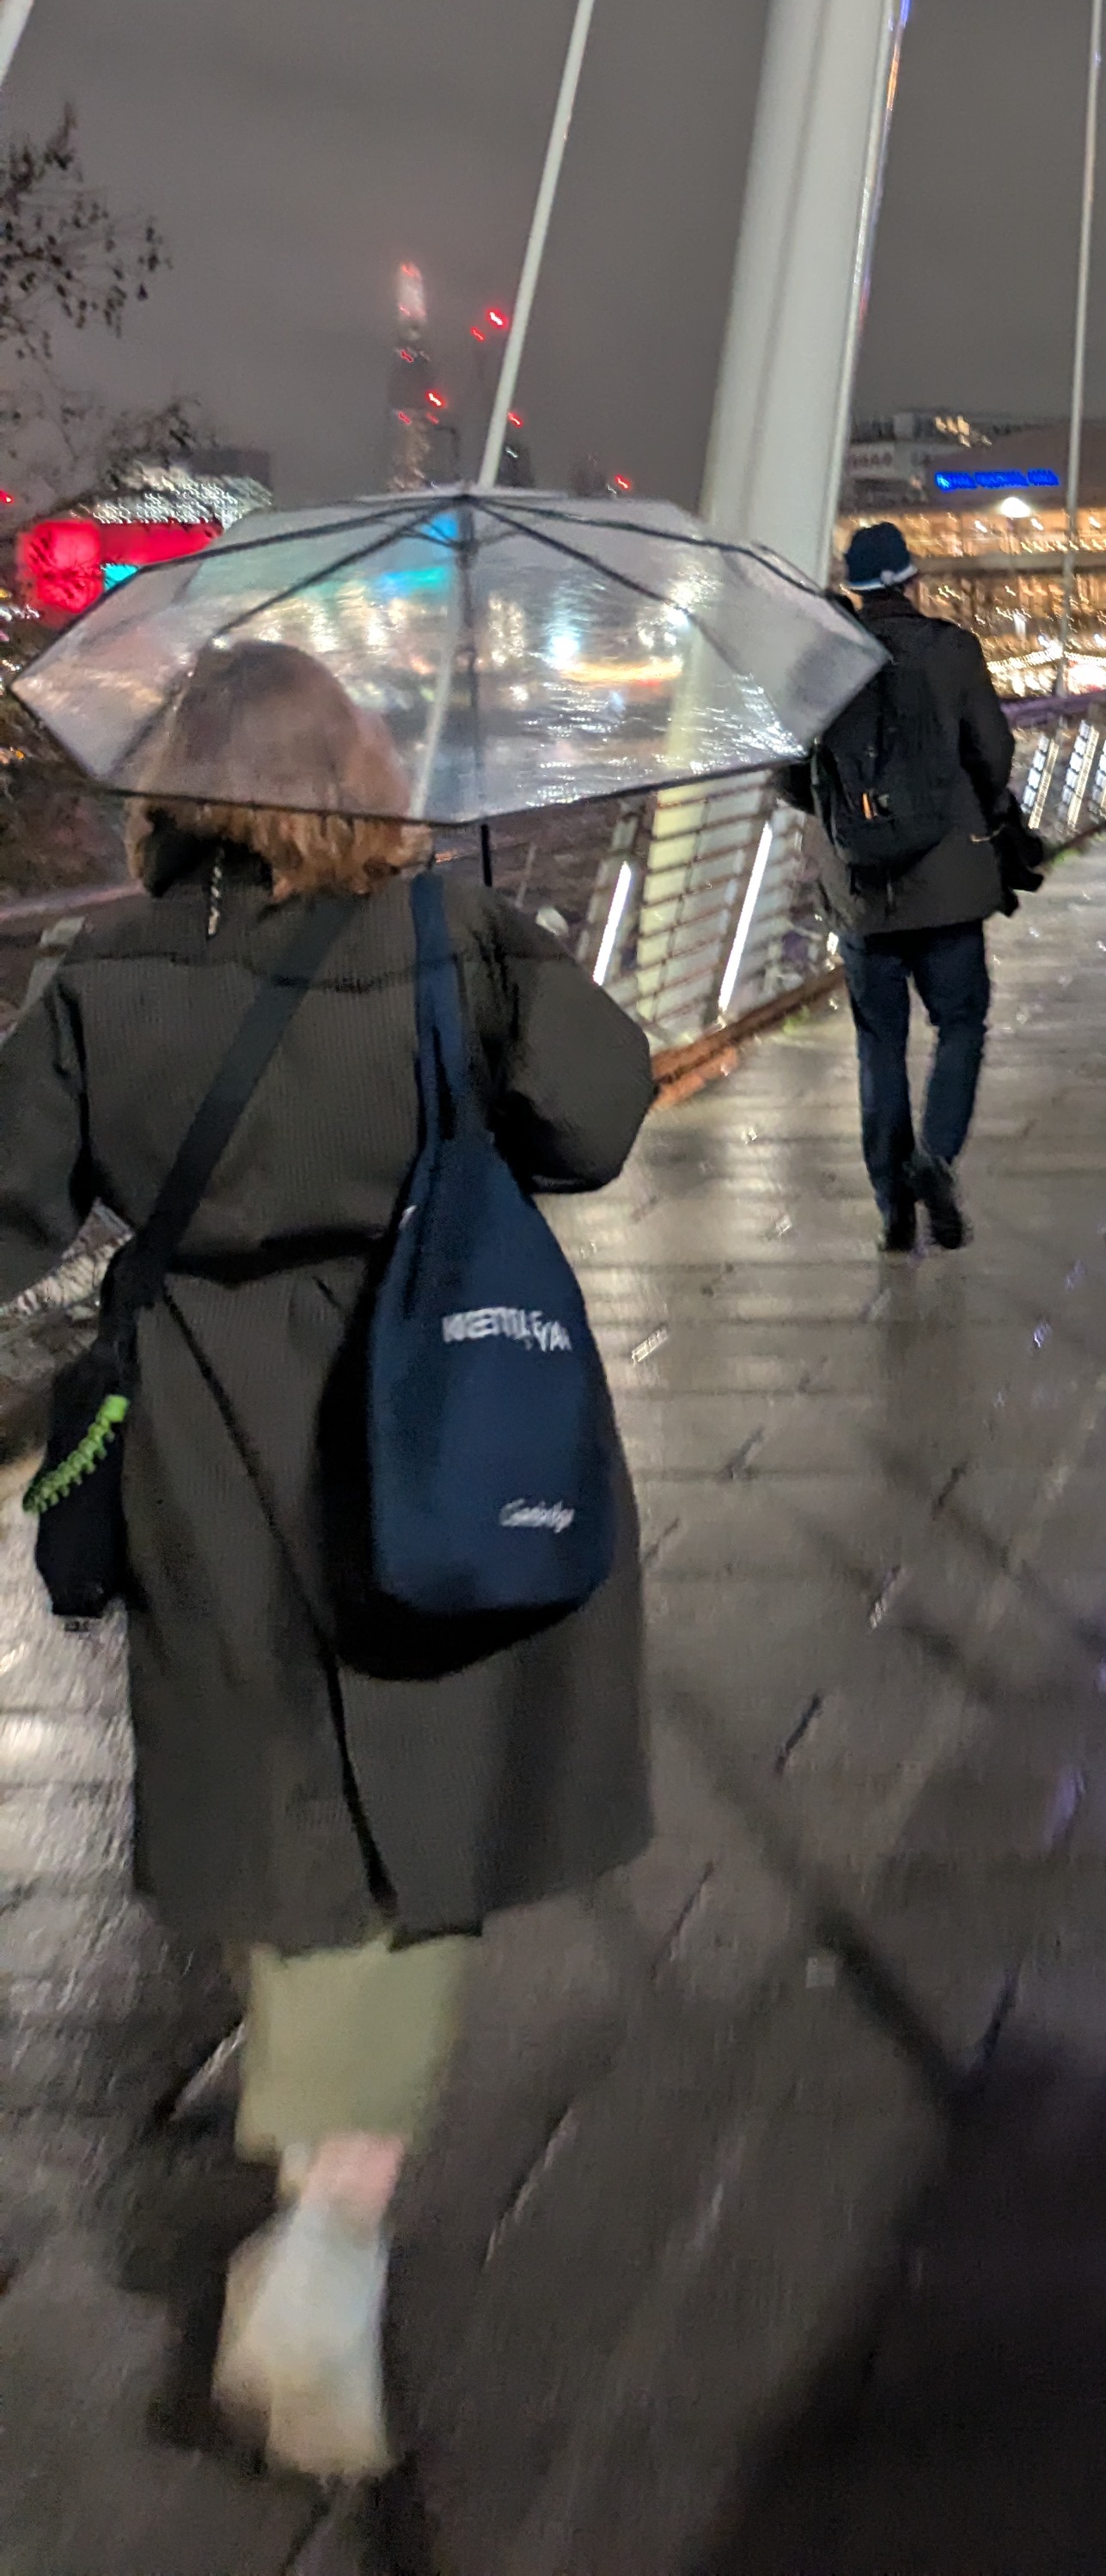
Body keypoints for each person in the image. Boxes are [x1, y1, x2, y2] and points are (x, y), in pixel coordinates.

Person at [0, 639, 652, 2481]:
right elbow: (597, 1118)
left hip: (211, 1440)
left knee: (285, 1805)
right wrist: (507, 946)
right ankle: (331, 2229)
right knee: (419, 1825)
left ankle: (321, 2178)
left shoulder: (101, 974)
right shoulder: (447, 937)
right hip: (430, 1417)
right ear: (360, 775)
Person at [798, 520, 1017, 1251]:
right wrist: (977, 810)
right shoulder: (953, 650)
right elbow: (993, 753)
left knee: (879, 1045)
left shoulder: (824, 662)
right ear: (911, 581)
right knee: (961, 1024)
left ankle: (893, 1207)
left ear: (856, 589)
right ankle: (936, 1158)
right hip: (949, 879)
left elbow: (793, 778)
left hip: (862, 888)